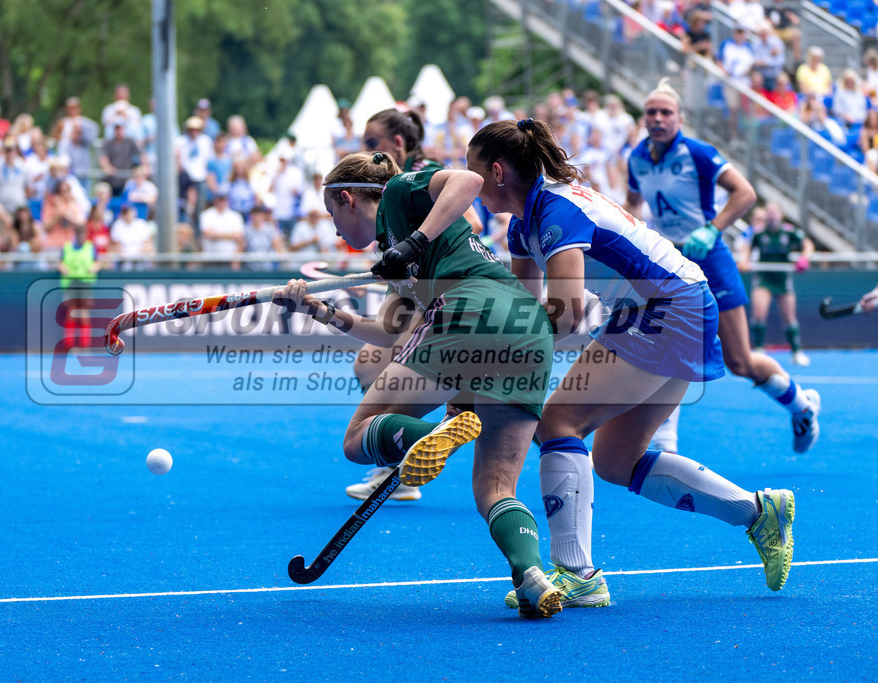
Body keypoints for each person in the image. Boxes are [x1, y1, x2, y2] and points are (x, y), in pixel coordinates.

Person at [467, 118, 797, 610]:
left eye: (471, 171)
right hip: (669, 304)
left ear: (496, 172)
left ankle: (577, 575)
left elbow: (565, 314)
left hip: (669, 305)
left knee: (558, 422)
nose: (467, 182)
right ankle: (758, 511)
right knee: (616, 461)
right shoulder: (523, 225)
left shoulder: (556, 211)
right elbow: (526, 313)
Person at [272, 150, 564, 619]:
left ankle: (430, 436)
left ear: (348, 199)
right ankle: (531, 574)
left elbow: (468, 181)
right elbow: (390, 332)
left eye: (332, 214)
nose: (336, 230)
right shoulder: (396, 256)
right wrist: (320, 311)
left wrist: (412, 244)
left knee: (357, 438)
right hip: (527, 329)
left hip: (469, 307)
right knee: (495, 487)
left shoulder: (397, 191)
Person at [622, 80, 820, 456]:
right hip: (667, 261)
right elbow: (632, 202)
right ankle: (665, 445)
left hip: (710, 258)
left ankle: (801, 406)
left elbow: (745, 193)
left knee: (740, 361)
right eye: (651, 112)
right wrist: (634, 233)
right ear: (643, 118)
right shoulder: (637, 158)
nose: (658, 118)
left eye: (666, 112)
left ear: (680, 119)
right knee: (664, 346)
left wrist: (712, 229)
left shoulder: (698, 153)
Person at [343, 107, 486, 502]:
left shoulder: (420, 173)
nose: (367, 150)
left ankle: (558, 438)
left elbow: (473, 222)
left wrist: (414, 245)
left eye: (372, 143)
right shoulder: (386, 187)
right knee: (368, 363)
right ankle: (400, 459)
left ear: (397, 143)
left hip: (450, 289)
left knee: (475, 394)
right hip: (428, 291)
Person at [740, 202, 814, 366]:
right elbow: (746, 247)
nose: (772, 215)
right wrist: (744, 260)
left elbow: (808, 245)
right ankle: (759, 350)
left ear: (781, 214)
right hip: (763, 278)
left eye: (775, 212)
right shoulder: (758, 233)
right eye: (769, 212)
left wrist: (804, 258)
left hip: (783, 279)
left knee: (789, 317)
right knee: (759, 315)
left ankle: (797, 352)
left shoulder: (789, 232)